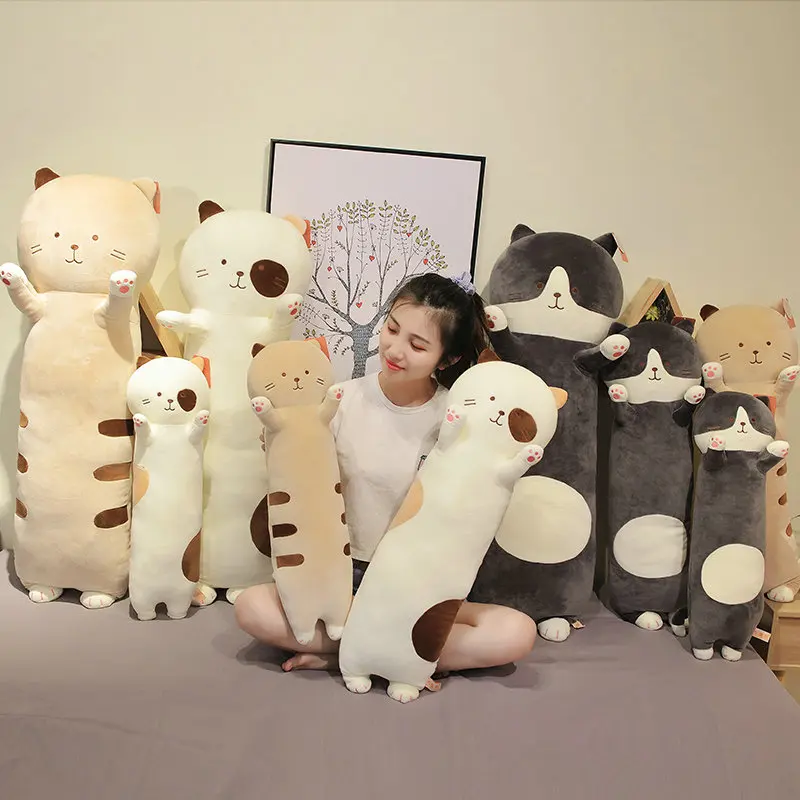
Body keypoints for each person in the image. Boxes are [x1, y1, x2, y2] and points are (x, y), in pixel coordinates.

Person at [234, 271, 537, 681]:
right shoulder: (339, 400)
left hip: (413, 583)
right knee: (251, 608)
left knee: (516, 632)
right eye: (392, 329)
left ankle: (348, 651)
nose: (395, 349)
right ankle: (385, 651)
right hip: (340, 576)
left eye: (417, 345)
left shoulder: (457, 416)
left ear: (446, 359)